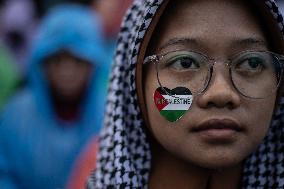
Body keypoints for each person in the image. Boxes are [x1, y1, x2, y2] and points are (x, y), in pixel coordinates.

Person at [86, 0, 284, 188]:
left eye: (252, 63)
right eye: (185, 62)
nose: (221, 93)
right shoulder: (89, 162)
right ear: (135, 82)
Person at [0, 4, 109, 189]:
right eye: (57, 59)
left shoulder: (109, 117)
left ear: (93, 66)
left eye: (78, 60)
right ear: (42, 64)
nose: (67, 71)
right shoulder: (15, 115)